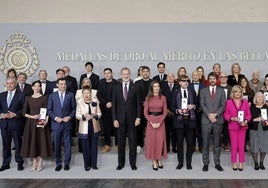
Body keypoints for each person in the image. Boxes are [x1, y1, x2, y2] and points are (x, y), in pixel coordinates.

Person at [112, 67, 141, 170]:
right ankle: (121, 163)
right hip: (119, 120)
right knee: (121, 142)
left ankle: (133, 163)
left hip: (133, 120)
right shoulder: (115, 87)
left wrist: (138, 117)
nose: (126, 76)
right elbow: (114, 105)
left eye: (127, 74)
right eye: (124, 74)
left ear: (130, 74)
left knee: (133, 142)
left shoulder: (135, 87)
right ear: (121, 75)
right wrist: (114, 119)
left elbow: (138, 104)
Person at [21, 81, 52, 171]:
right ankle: (35, 162)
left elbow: (47, 110)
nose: (37, 87)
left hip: (41, 121)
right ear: (32, 87)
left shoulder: (45, 98)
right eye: (35, 86)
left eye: (39, 86)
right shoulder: (28, 98)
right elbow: (23, 112)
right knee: (33, 142)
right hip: (30, 123)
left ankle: (40, 162)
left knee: (41, 141)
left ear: (40, 88)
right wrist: (32, 116)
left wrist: (46, 120)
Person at [47, 78, 76, 171]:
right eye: (61, 84)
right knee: (57, 144)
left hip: (67, 123)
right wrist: (55, 118)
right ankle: (58, 163)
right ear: (57, 85)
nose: (63, 85)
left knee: (67, 144)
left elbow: (74, 109)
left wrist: (69, 117)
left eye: (64, 84)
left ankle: (67, 163)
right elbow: (49, 110)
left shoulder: (71, 95)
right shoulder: (52, 96)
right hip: (56, 124)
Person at [200, 72, 226, 172]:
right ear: (208, 80)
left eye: (213, 79)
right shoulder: (203, 91)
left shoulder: (221, 91)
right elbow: (202, 104)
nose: (212, 80)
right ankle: (205, 163)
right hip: (206, 120)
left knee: (217, 144)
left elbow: (223, 105)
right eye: (210, 78)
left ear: (217, 80)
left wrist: (215, 115)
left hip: (217, 120)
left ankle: (217, 163)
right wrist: (209, 115)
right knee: (205, 144)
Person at [224, 85, 251, 171]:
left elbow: (249, 115)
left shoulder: (245, 102)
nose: (238, 93)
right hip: (233, 126)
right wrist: (232, 118)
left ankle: (241, 163)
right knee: (234, 145)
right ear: (233, 93)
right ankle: (234, 162)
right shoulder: (228, 102)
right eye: (236, 91)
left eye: (239, 92)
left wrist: (246, 121)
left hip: (243, 126)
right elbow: (225, 115)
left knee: (242, 146)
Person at [172, 75, 196, 170]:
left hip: (190, 120)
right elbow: (172, 106)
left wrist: (193, 106)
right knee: (180, 142)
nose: (185, 82)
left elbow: (197, 104)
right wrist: (178, 111)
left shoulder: (192, 92)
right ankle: (180, 162)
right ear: (179, 82)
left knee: (190, 142)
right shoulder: (175, 93)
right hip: (179, 120)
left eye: (187, 81)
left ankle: (189, 162)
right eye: (183, 81)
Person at [0, 77, 25, 171]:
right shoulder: (1, 95)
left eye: (11, 83)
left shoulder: (21, 95)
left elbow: (24, 109)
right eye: (8, 83)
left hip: (16, 123)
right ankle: (6, 163)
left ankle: (19, 162)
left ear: (15, 84)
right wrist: (0, 114)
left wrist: (15, 114)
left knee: (18, 145)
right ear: (5, 84)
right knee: (6, 145)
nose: (9, 85)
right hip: (4, 124)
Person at [76, 86, 101, 171]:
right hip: (84, 127)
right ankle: (87, 165)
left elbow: (99, 113)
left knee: (94, 146)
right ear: (82, 94)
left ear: (91, 93)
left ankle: (94, 164)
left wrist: (95, 115)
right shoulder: (79, 102)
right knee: (85, 147)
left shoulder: (95, 101)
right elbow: (77, 115)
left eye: (88, 93)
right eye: (84, 93)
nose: (86, 95)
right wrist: (83, 116)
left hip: (94, 126)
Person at [144, 81, 167, 170]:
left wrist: (159, 122)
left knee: (160, 141)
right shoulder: (148, 98)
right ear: (152, 88)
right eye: (154, 86)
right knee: (152, 141)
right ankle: (154, 160)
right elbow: (145, 113)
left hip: (160, 121)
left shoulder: (163, 98)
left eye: (158, 86)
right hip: (151, 121)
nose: (156, 88)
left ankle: (159, 158)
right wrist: (152, 122)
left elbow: (165, 112)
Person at [97, 68, 118, 153]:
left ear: (111, 73)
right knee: (106, 127)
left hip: (115, 108)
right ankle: (107, 145)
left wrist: (112, 103)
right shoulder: (101, 82)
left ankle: (118, 144)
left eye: (108, 73)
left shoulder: (116, 83)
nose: (107, 75)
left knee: (116, 127)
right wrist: (106, 103)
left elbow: (118, 95)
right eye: (105, 73)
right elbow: (99, 95)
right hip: (105, 108)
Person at [135, 66, 153, 153]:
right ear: (141, 73)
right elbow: (135, 95)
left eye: (147, 71)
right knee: (139, 127)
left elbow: (156, 94)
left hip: (152, 108)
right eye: (144, 71)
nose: (145, 73)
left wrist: (148, 103)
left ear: (149, 73)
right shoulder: (137, 83)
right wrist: (142, 102)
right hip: (139, 107)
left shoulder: (153, 82)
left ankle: (151, 145)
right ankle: (139, 144)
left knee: (151, 127)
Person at [249, 91, 268, 170]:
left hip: (264, 130)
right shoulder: (251, 108)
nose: (259, 98)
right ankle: (256, 163)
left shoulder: (267, 108)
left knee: (264, 146)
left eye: (261, 97)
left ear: (263, 99)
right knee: (255, 146)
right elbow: (248, 120)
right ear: (255, 99)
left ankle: (261, 163)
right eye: (258, 97)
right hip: (254, 129)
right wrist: (255, 119)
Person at [161, 73, 178, 153]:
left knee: (175, 131)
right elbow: (160, 99)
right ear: (166, 78)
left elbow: (180, 99)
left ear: (174, 78)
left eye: (172, 76)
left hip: (176, 112)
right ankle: (166, 147)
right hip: (165, 112)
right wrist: (166, 109)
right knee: (166, 131)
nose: (170, 78)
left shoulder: (178, 86)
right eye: (169, 76)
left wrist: (175, 110)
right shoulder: (162, 86)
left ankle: (174, 146)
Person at [189, 71, 206, 153]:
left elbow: (206, 98)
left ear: (199, 76)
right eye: (194, 75)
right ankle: (192, 146)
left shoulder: (204, 86)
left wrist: (201, 107)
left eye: (197, 75)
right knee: (192, 129)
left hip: (201, 111)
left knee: (200, 129)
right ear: (192, 76)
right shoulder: (189, 86)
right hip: (191, 111)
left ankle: (201, 146)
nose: (195, 76)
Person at [219, 72, 232, 151]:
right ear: (219, 79)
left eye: (225, 77)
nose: (223, 78)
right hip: (219, 111)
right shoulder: (216, 88)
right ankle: (220, 144)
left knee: (228, 128)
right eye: (221, 77)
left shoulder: (231, 88)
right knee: (220, 128)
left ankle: (226, 144)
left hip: (229, 111)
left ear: (227, 78)